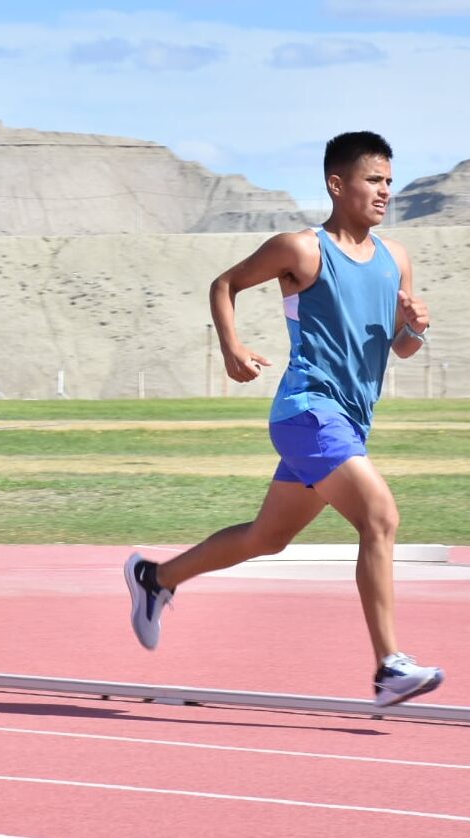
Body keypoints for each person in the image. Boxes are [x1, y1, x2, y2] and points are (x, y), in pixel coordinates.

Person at [124, 131, 444, 707]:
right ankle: (388, 667)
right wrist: (232, 348)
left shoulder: (397, 259)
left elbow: (399, 348)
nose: (385, 192)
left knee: (267, 538)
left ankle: (156, 579)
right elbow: (224, 284)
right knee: (380, 517)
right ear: (337, 183)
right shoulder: (302, 250)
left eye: (390, 182)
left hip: (349, 419)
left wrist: (416, 326)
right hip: (308, 411)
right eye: (374, 180)